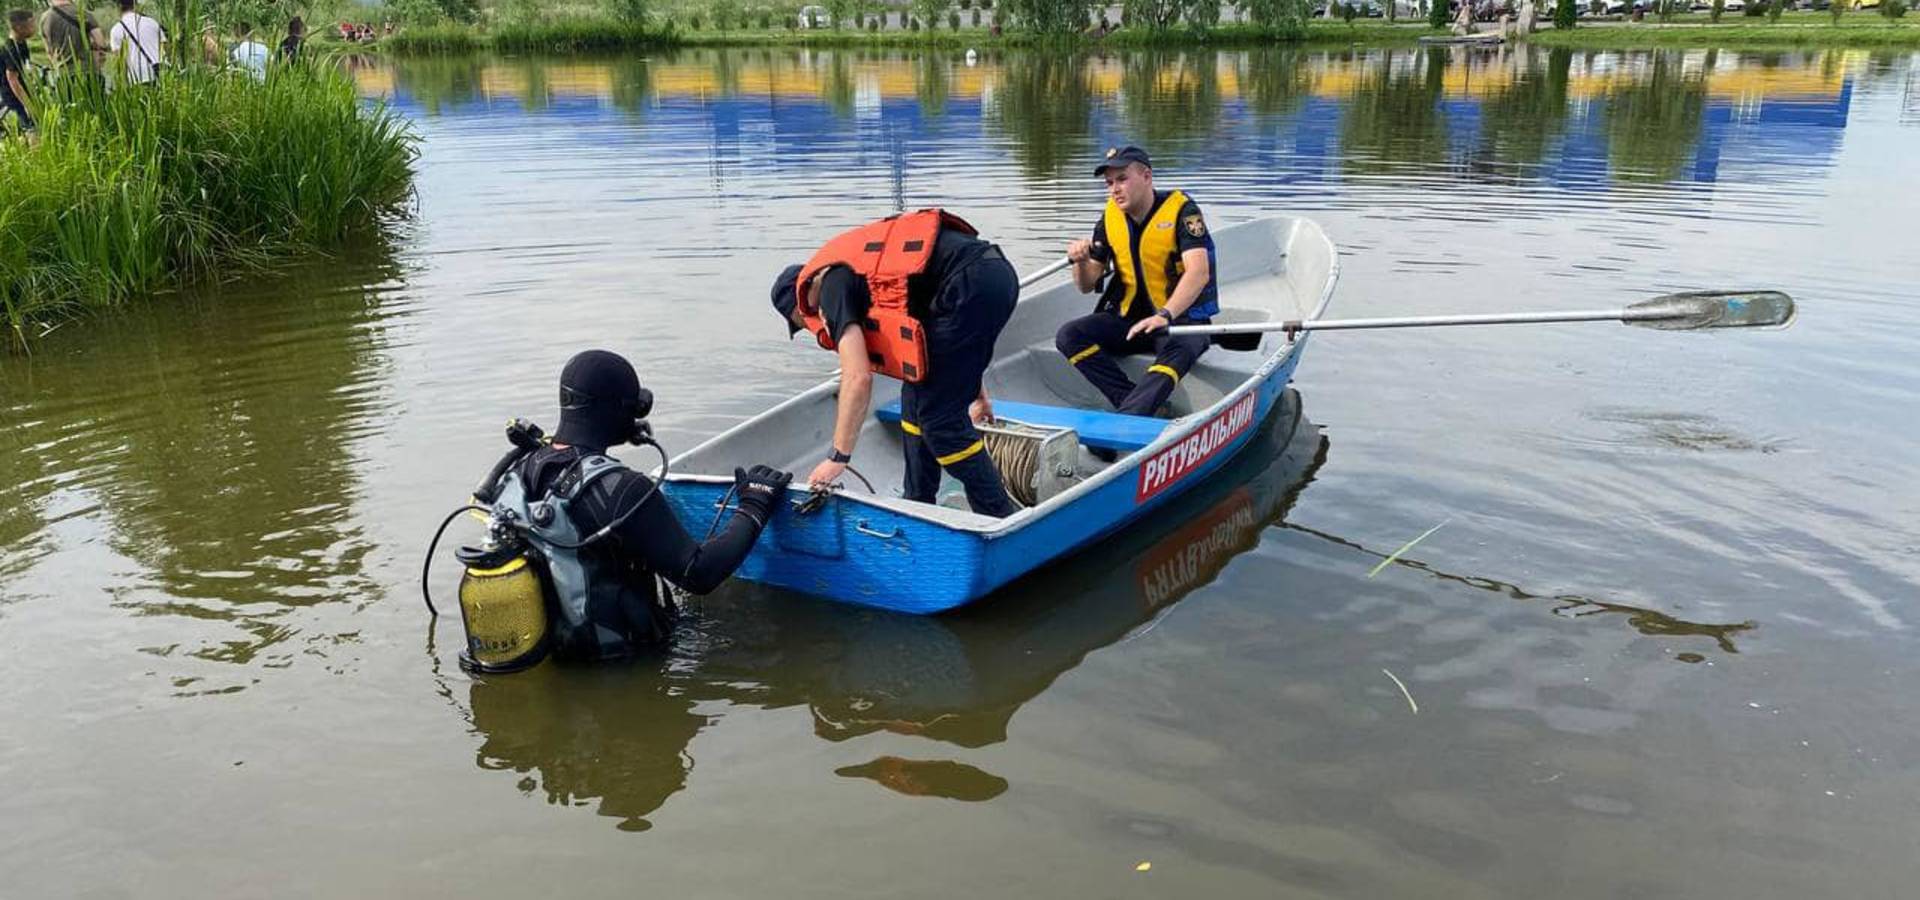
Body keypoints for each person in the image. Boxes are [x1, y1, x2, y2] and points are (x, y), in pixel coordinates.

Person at [497, 349, 791, 660]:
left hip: (555, 651)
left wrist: (619, 432)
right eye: (633, 408)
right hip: (622, 659)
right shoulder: (622, 489)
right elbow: (700, 573)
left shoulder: (518, 472)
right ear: (617, 409)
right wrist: (754, 506)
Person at [769, 209, 1022, 517]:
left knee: (941, 424)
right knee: (914, 398)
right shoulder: (858, 274)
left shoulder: (831, 289)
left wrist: (838, 456)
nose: (812, 327)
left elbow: (857, 377)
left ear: (799, 304)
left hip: (969, 284)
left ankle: (999, 516)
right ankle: (918, 503)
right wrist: (977, 394)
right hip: (991, 276)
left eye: (801, 323)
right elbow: (950, 348)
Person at [1056, 145, 1219, 421]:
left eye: (1122, 179)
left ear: (1146, 176)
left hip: (1179, 320)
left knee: (1180, 348)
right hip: (1130, 320)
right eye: (1109, 183)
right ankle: (1133, 401)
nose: (1114, 189)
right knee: (1069, 335)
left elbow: (1198, 272)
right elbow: (1086, 284)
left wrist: (1165, 315)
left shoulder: (1183, 212)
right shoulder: (1109, 218)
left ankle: (1124, 421)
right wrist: (1080, 261)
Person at [39, 0, 103, 80]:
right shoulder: (84, 14)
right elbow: (100, 43)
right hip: (86, 71)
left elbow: (49, 51)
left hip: (62, 75)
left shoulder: (44, 18)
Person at [107, 0, 163, 86]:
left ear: (118, 8)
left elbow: (119, 60)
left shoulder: (117, 29)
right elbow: (165, 48)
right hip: (160, 73)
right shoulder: (152, 22)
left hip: (137, 77)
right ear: (136, 5)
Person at [1, 10, 34, 140]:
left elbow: (26, 66)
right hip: (14, 94)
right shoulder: (11, 49)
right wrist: (28, 105)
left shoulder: (22, 43)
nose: (34, 28)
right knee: (30, 126)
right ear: (20, 27)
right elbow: (12, 80)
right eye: (31, 24)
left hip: (23, 89)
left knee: (28, 125)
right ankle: (35, 155)